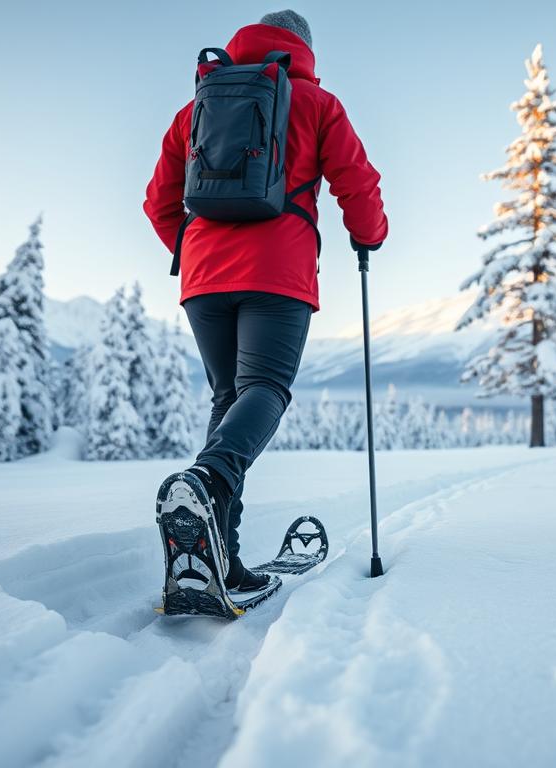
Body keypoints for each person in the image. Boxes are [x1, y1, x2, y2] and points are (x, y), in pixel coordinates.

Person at [143, 10, 388, 604]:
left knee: (228, 398)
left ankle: (219, 560)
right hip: (278, 273)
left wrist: (197, 247)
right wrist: (370, 235)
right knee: (267, 388)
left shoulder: (197, 106)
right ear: (304, 50)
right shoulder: (314, 102)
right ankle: (208, 479)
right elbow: (357, 184)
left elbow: (157, 202)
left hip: (203, 277)